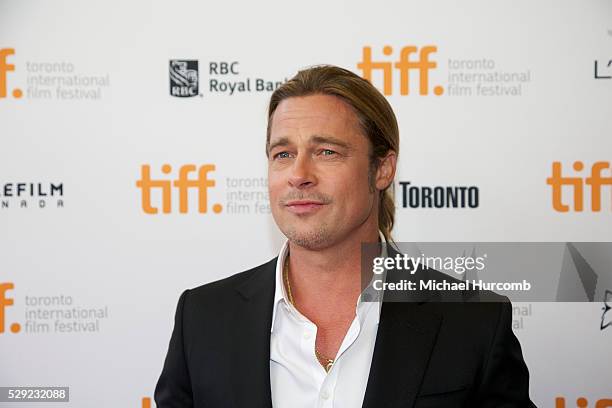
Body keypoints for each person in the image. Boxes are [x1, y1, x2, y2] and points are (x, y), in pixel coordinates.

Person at [154, 65, 536, 407]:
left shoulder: (474, 322)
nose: (298, 174)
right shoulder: (202, 319)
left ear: (382, 169)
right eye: (283, 154)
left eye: (326, 152)